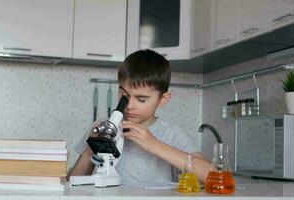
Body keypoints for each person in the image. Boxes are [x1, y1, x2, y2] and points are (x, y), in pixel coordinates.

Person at [68, 49, 213, 183]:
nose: (129, 105)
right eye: (124, 95)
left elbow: (211, 175)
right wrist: (90, 149)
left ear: (163, 99)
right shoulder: (103, 127)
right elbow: (71, 183)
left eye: (141, 99)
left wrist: (153, 144)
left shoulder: (170, 133)